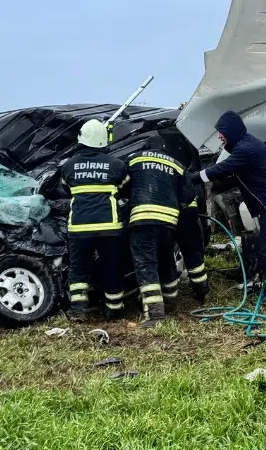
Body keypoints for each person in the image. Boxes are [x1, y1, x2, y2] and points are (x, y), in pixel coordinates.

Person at [192, 111, 266, 303]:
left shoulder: (246, 149)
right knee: (265, 247)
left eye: (222, 132)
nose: (220, 136)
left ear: (232, 131)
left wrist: (192, 178)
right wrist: (216, 188)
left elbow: (221, 169)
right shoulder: (246, 145)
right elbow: (237, 177)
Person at [58, 119, 127, 320]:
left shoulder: (69, 165)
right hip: (109, 227)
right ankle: (114, 310)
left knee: (79, 269)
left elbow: (66, 189)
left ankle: (78, 310)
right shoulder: (116, 164)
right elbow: (124, 188)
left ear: (82, 139)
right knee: (111, 267)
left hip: (79, 228)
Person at [124, 140, 196, 327]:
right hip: (169, 222)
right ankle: (171, 302)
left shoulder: (133, 160)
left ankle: (155, 316)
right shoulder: (176, 165)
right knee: (166, 260)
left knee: (146, 265)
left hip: (143, 220)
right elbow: (188, 194)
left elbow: (122, 187)